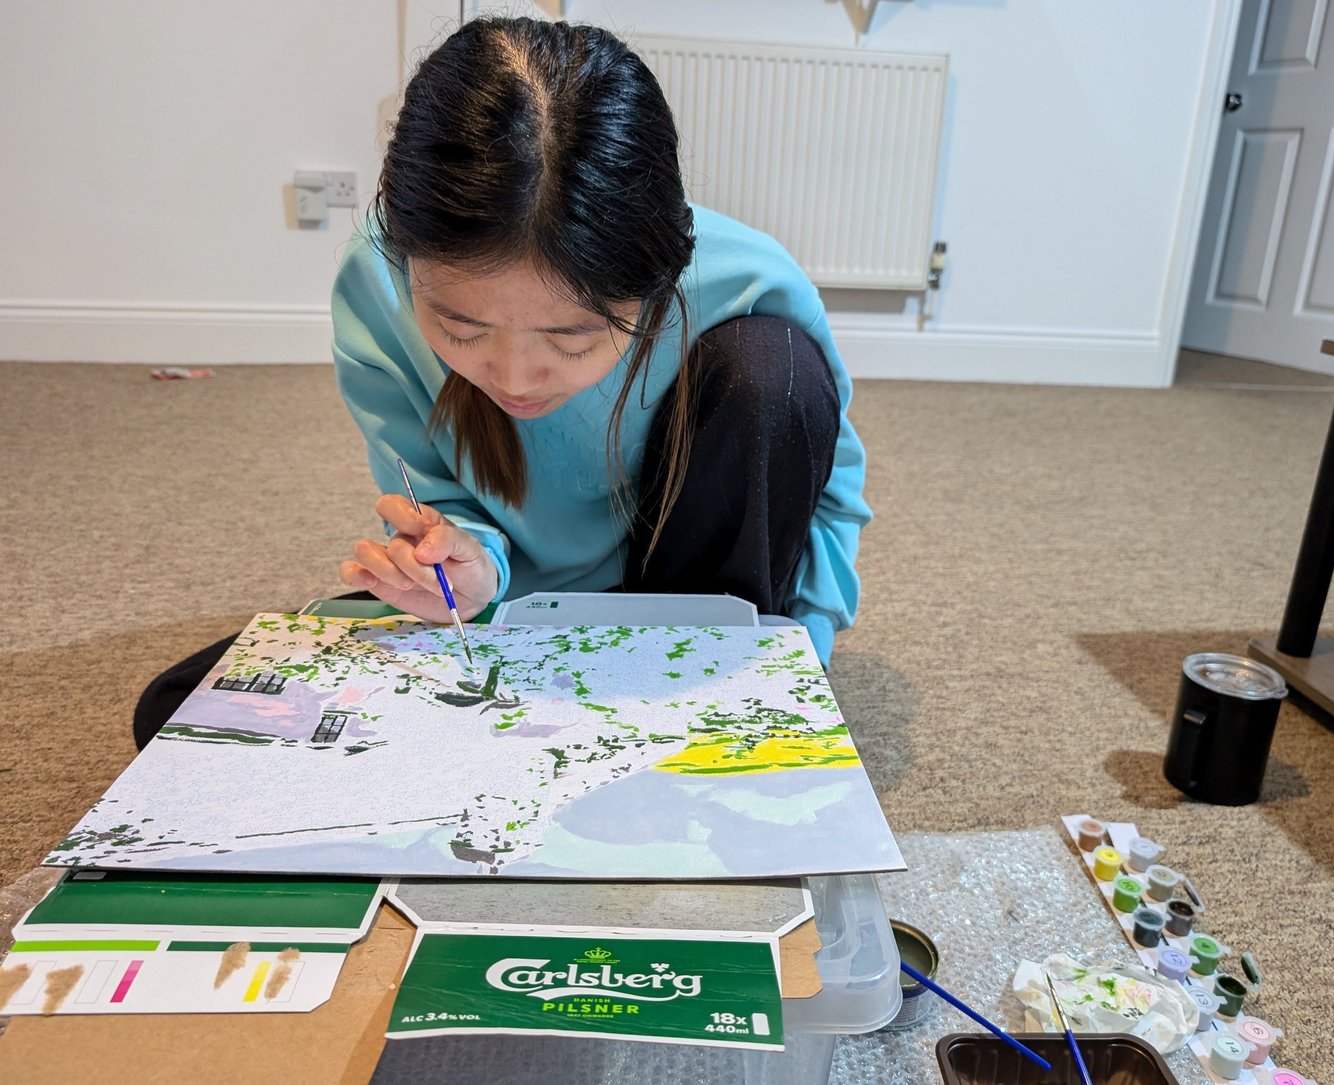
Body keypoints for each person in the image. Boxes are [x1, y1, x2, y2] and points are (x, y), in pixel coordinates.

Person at [132, 15, 869, 749]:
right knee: (181, 715)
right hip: (508, 610)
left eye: (572, 337)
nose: (513, 380)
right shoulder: (375, 281)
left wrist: (797, 657)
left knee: (772, 369)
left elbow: (825, 498)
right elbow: (432, 502)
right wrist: (469, 567)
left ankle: (699, 688)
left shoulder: (749, 278)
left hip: (687, 594)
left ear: (658, 284)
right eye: (461, 329)